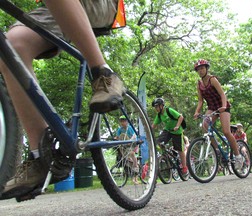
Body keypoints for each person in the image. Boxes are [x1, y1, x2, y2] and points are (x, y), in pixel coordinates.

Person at [0, 0, 125, 198]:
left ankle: (103, 73)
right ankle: (41, 155)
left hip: (99, 4)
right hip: (51, 9)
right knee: (11, 46)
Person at [193, 59, 243, 170]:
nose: (200, 71)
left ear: (206, 68)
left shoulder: (213, 79)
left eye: (202, 68)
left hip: (223, 106)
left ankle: (238, 156)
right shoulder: (199, 84)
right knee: (205, 126)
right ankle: (217, 150)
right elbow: (200, 101)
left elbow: (222, 94)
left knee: (226, 131)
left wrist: (224, 106)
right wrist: (197, 112)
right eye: (198, 69)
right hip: (212, 108)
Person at [151, 98, 188, 177]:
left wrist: (177, 126)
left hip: (177, 132)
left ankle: (184, 167)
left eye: (157, 106)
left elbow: (180, 117)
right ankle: (166, 155)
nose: (156, 109)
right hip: (168, 130)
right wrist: (148, 132)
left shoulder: (169, 110)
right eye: (155, 107)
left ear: (162, 106)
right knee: (158, 142)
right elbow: (153, 125)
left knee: (180, 149)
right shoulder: (159, 115)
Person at [114, 115, 139, 184]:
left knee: (132, 154)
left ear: (127, 122)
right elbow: (118, 137)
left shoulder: (130, 128)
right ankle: (126, 158)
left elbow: (134, 136)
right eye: (121, 121)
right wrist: (116, 138)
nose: (122, 123)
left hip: (132, 144)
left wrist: (129, 141)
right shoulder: (120, 129)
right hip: (124, 146)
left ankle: (135, 169)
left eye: (124, 121)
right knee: (120, 144)